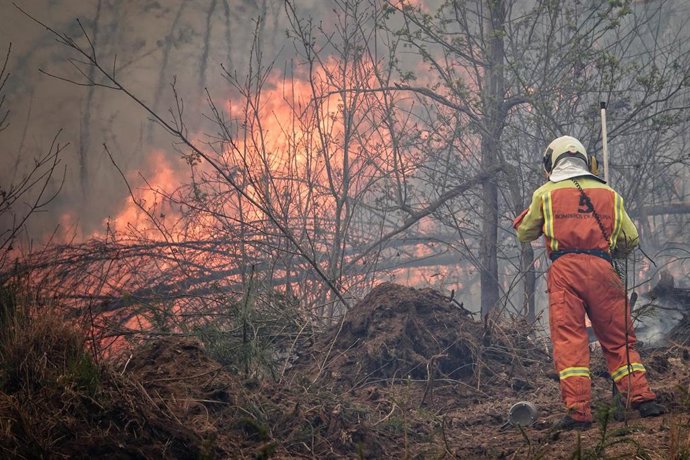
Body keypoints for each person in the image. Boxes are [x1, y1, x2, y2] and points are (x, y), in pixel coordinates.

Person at [513, 135, 665, 430]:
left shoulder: (545, 193)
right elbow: (630, 239)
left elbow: (525, 233)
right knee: (619, 338)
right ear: (586, 160)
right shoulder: (609, 193)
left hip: (565, 270)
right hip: (602, 268)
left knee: (570, 341)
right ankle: (644, 400)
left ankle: (579, 413)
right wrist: (609, 250)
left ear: (551, 162)